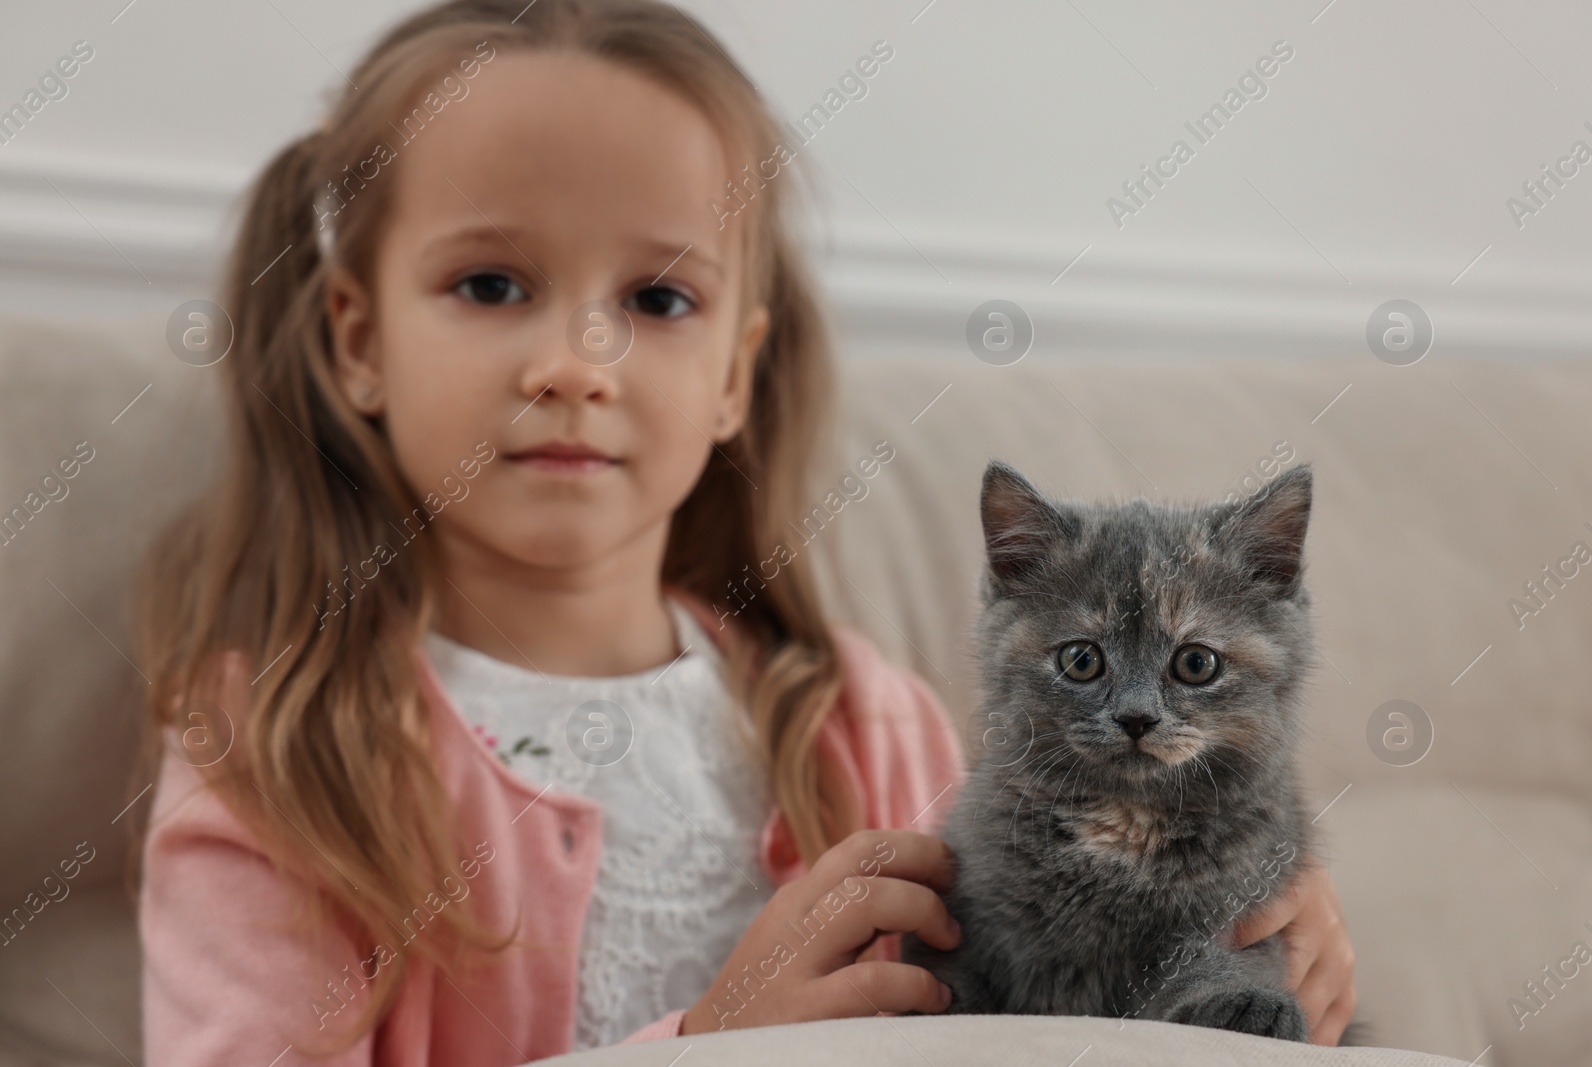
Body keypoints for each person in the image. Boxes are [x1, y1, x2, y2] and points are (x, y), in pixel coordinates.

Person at [131, 2, 1355, 1063]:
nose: (576, 362)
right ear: (356, 338)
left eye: (658, 298)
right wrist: (707, 1049)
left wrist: (1252, 959)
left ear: (734, 373)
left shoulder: (865, 722)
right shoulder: (274, 755)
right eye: (491, 283)